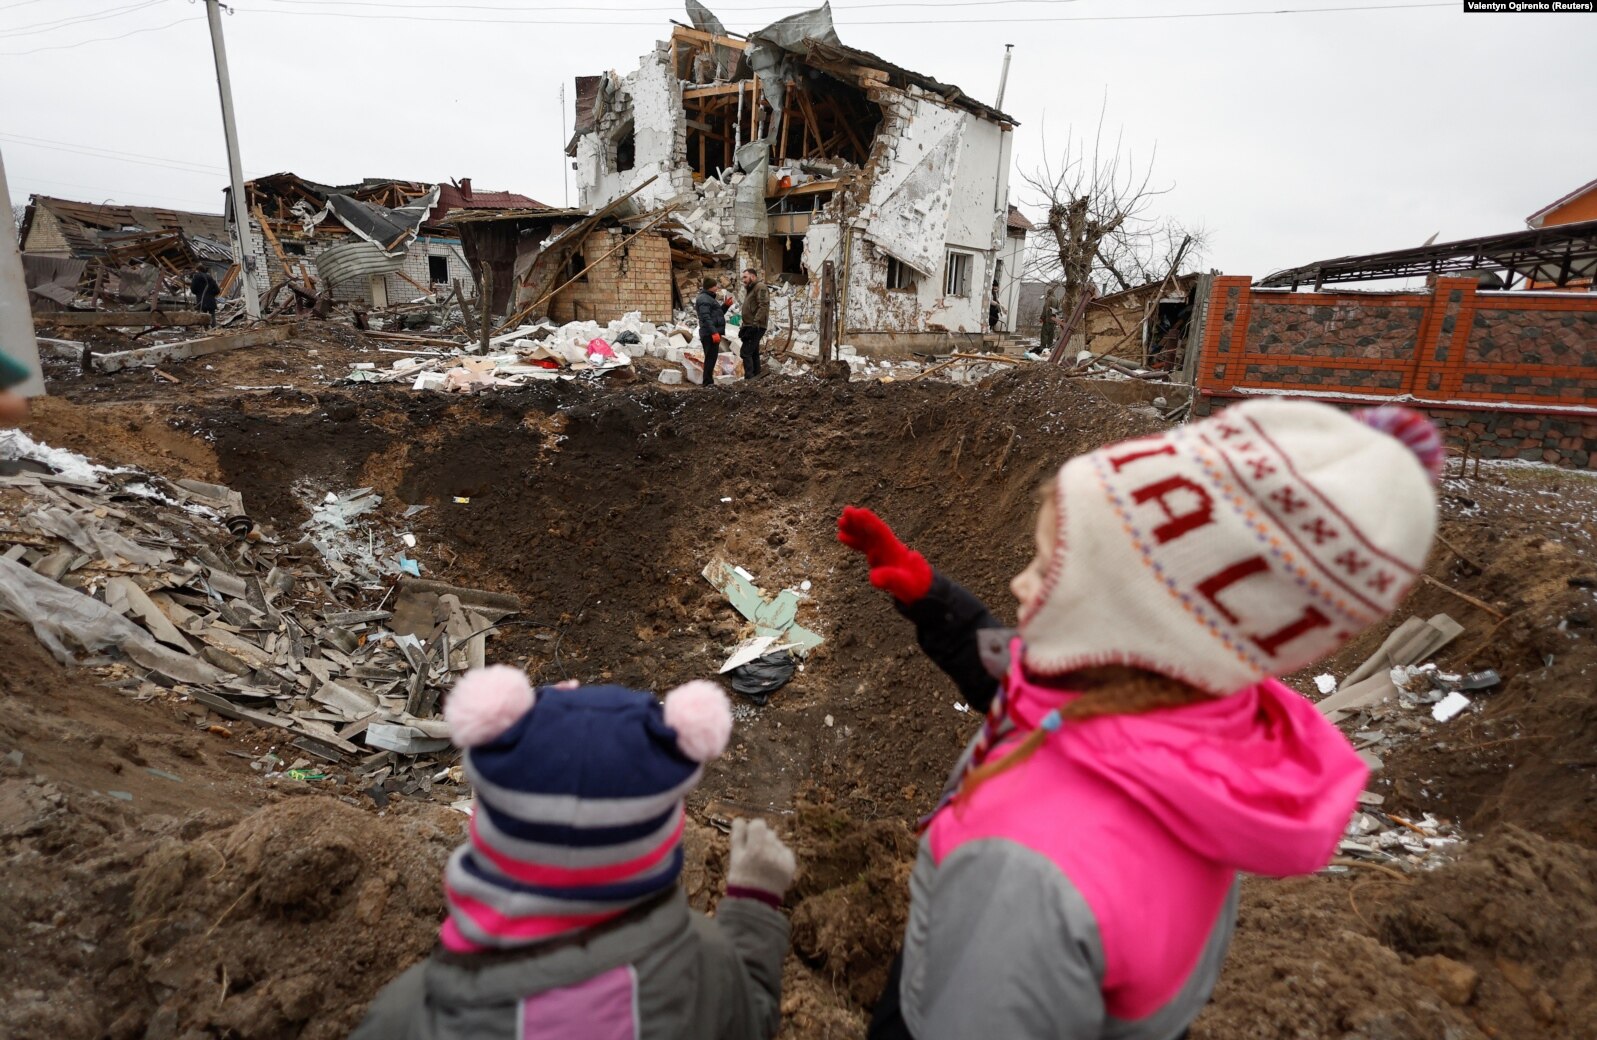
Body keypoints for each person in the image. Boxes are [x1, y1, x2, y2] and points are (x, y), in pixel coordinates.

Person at [838, 401, 1446, 1040]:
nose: (1020, 584)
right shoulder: (1202, 735)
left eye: (1048, 567)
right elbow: (1044, 700)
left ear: (1131, 620)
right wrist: (936, 603)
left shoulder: (1020, 871)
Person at [352, 667, 796, 1040]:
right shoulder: (707, 966)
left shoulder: (404, 1017)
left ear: (488, 833)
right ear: (658, 848)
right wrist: (754, 903)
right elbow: (752, 1021)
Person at [694, 276, 727, 387]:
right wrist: (713, 332)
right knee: (710, 358)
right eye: (714, 286)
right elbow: (705, 317)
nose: (717, 287)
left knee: (711, 358)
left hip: (711, 333)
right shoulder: (704, 299)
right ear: (709, 287)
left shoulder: (709, 298)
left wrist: (726, 306)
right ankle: (707, 382)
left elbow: (716, 315)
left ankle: (708, 381)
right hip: (709, 334)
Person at [739, 268, 769, 379]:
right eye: (743, 277)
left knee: (745, 352)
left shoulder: (760, 287)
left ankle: (749, 379)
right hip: (750, 325)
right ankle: (757, 377)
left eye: (745, 277)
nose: (743, 280)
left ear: (753, 276)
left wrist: (755, 323)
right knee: (754, 352)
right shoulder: (751, 289)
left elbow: (763, 305)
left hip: (756, 326)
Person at [1038, 285, 1060, 354]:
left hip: (1047, 319)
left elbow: (1046, 309)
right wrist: (1056, 320)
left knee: (1044, 334)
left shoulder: (1049, 299)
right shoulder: (1057, 300)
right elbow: (1057, 311)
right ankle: (1049, 348)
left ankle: (1043, 348)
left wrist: (1042, 318)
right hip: (1053, 320)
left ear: (1048, 293)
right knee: (1051, 335)